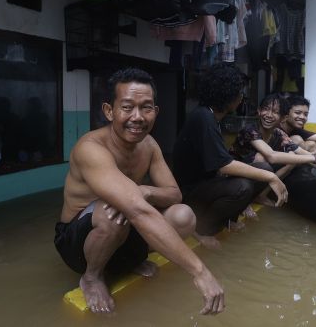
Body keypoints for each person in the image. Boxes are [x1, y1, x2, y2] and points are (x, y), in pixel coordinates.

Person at [54, 68, 224, 315]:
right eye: (127, 107)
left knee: (183, 215)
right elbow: (136, 209)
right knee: (113, 211)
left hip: (123, 228)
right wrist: (200, 271)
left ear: (155, 112)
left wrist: (145, 190)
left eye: (146, 107)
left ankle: (128, 261)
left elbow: (174, 194)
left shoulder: (149, 145)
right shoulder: (90, 148)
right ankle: (91, 276)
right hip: (76, 243)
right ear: (109, 111)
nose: (137, 116)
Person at [172, 63, 288, 249]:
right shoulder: (204, 118)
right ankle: (203, 229)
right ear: (229, 95)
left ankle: (227, 220)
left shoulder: (211, 117)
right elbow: (224, 165)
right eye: (240, 93)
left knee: (262, 169)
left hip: (206, 183)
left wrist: (267, 173)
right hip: (188, 192)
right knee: (242, 187)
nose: (242, 98)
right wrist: (272, 177)